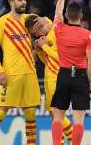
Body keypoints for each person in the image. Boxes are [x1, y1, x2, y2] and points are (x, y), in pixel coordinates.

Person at [0, 0, 41, 145]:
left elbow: (47, 25)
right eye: (20, 0)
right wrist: (0, 71)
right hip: (11, 75)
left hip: (30, 74)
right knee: (0, 113)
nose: (23, 3)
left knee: (30, 114)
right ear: (11, 2)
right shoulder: (2, 22)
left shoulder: (29, 19)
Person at [51, 0, 91, 145]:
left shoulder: (59, 28)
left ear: (67, 15)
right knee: (78, 120)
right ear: (81, 16)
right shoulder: (87, 35)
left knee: (58, 117)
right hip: (81, 76)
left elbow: (57, 13)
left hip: (63, 75)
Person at [24, 14, 73, 144]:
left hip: (59, 78)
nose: (38, 35)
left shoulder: (57, 32)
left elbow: (64, 58)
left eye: (37, 32)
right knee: (55, 116)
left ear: (39, 24)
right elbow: (47, 61)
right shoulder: (46, 35)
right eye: (35, 34)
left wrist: (45, 46)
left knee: (57, 116)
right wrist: (39, 50)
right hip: (52, 77)